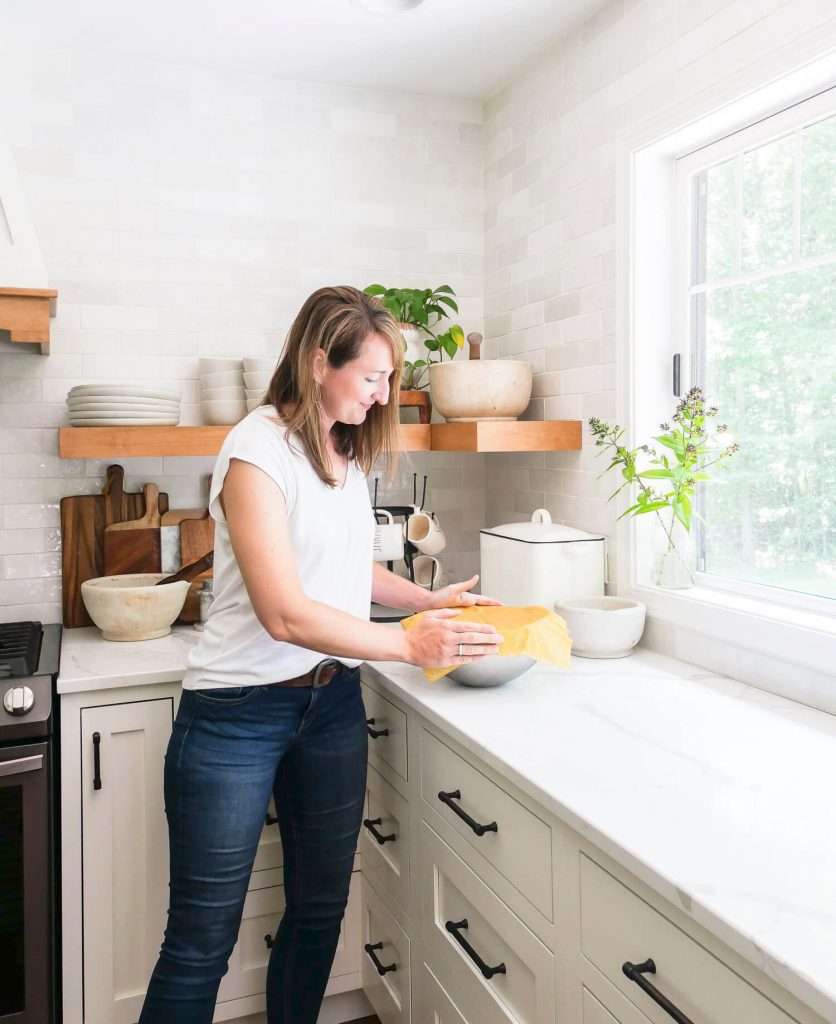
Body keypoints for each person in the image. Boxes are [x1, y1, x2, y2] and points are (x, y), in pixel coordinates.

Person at [138, 285, 503, 1024]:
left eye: (387, 380)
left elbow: (347, 570)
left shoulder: (344, 451)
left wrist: (428, 602)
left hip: (332, 706)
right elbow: (283, 611)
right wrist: (407, 644)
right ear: (316, 363)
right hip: (235, 716)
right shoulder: (254, 450)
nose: (380, 395)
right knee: (201, 941)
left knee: (317, 913)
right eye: (370, 377)